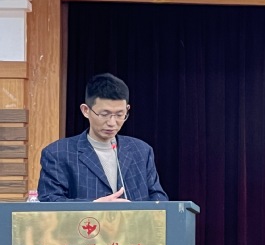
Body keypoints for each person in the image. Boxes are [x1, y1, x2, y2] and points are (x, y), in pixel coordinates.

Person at [38, 73, 168, 202]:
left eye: (119, 115)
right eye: (104, 114)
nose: (112, 123)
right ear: (85, 110)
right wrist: (94, 207)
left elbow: (159, 198)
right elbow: (50, 200)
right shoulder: (58, 153)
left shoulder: (141, 151)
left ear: (127, 109)